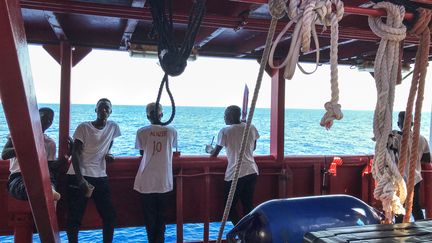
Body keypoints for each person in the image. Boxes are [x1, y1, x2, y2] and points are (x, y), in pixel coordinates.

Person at [66, 98, 121, 243]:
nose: (104, 110)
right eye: (101, 107)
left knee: (109, 216)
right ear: (95, 110)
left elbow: (109, 142)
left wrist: (108, 153)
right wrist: (80, 180)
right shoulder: (83, 127)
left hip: (100, 175)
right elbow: (75, 153)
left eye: (107, 108)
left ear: (110, 111)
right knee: (74, 217)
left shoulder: (113, 127)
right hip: (79, 175)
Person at [134, 102, 178, 243]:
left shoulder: (141, 131)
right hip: (164, 180)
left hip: (146, 180)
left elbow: (142, 152)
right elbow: (173, 150)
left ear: (147, 115)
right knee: (161, 219)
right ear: (162, 114)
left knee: (149, 219)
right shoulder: (172, 131)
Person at [208, 105, 259, 225]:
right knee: (248, 205)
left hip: (235, 174)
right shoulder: (251, 127)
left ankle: (240, 231)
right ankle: (249, 233)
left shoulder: (225, 131)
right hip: (252, 171)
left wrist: (209, 149)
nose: (224, 118)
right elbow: (253, 147)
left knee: (228, 208)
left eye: (225, 115)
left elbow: (214, 154)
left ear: (230, 116)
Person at [2, 107, 61, 201]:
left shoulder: (50, 143)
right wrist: (27, 146)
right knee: (23, 186)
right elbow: (5, 154)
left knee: (49, 179)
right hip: (19, 175)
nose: (48, 121)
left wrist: (66, 157)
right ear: (35, 117)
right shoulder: (19, 133)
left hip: (42, 175)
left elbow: (49, 166)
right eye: (44, 117)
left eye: (51, 119)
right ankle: (46, 192)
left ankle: (49, 191)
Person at [393, 111, 430, 223]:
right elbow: (427, 159)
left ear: (398, 123)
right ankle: (423, 232)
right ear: (413, 124)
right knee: (415, 207)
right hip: (415, 178)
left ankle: (398, 232)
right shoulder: (422, 139)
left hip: (400, 178)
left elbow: (389, 154)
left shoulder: (396, 139)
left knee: (398, 207)